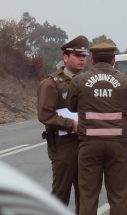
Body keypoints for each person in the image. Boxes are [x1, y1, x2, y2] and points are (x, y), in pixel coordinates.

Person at [66, 40, 127, 215]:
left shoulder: (79, 81)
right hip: (118, 145)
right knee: (119, 196)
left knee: (88, 195)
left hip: (89, 145)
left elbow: (71, 107)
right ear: (113, 60)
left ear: (92, 60)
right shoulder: (124, 82)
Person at [37, 35, 89, 215]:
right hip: (63, 145)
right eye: (77, 55)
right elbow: (45, 115)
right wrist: (71, 124)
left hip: (85, 144)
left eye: (84, 55)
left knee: (85, 195)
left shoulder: (86, 82)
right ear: (65, 58)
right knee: (61, 194)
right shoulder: (51, 83)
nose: (82, 59)